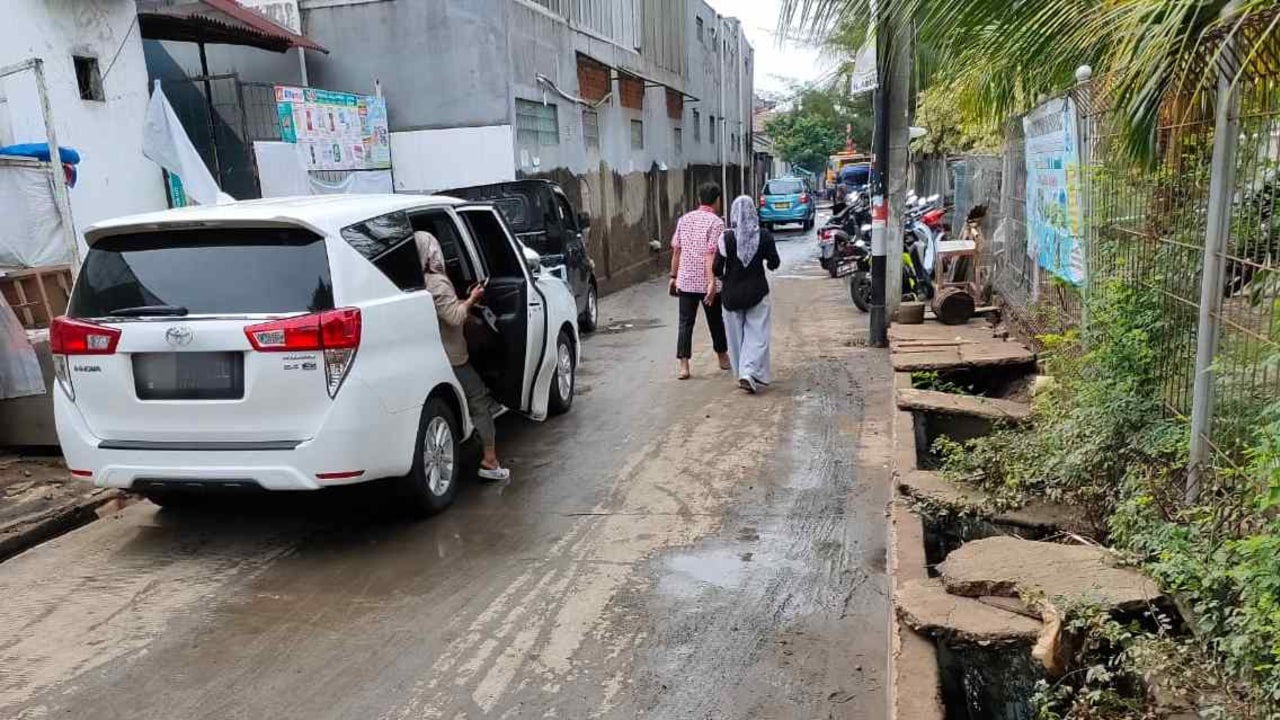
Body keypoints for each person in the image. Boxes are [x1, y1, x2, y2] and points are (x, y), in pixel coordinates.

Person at [415, 231, 510, 481]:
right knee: (478, 398)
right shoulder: (436, 283)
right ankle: (490, 460)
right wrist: (472, 299)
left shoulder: (416, 282)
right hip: (453, 356)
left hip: (433, 354)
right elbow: (455, 317)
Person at [714, 195, 780, 394]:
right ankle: (749, 371)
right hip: (757, 293)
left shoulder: (725, 238)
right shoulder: (764, 236)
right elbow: (774, 263)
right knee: (758, 335)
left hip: (731, 295)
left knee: (736, 338)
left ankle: (743, 372)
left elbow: (716, 268)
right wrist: (765, 261)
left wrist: (727, 275)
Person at [670, 182, 730, 380]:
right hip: (707, 282)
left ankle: (684, 366)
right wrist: (712, 282)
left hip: (685, 280)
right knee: (715, 320)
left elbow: (677, 250)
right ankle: (722, 357)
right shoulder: (716, 223)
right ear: (717, 200)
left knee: (685, 323)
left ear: (699, 199)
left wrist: (673, 277)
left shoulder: (684, 220)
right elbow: (711, 255)